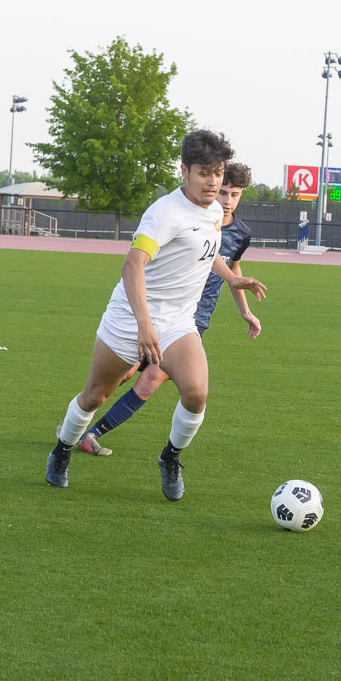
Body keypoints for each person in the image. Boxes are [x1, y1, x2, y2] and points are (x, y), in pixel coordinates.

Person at [45, 130, 266, 501]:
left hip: (178, 321)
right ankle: (62, 450)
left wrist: (233, 278)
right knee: (95, 396)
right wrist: (144, 326)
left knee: (196, 393)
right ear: (184, 171)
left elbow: (208, 252)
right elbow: (132, 266)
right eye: (204, 173)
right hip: (130, 319)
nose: (213, 182)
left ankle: (170, 458)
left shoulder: (214, 210)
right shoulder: (164, 213)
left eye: (218, 173)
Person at [72, 161, 262, 458]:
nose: (226, 200)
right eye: (223, 192)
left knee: (150, 381)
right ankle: (75, 422)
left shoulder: (240, 232)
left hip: (191, 318)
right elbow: (134, 263)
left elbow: (230, 264)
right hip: (154, 310)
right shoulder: (179, 213)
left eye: (233, 193)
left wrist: (244, 307)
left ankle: (95, 433)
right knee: (119, 378)